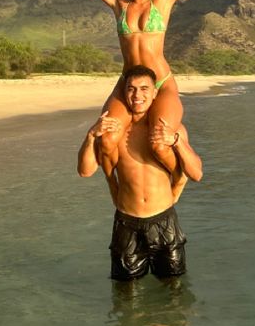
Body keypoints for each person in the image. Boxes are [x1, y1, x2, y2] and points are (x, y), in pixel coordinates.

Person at [50, 0, 240, 173]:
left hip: (161, 84)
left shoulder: (162, 2)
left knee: (160, 144)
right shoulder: (119, 4)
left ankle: (177, 180)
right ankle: (118, 190)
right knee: (106, 138)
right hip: (128, 83)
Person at [78, 65, 203, 280]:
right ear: (124, 92)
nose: (137, 95)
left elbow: (197, 173)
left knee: (174, 289)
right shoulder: (114, 132)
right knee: (125, 293)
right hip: (127, 222)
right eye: (131, 89)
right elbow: (85, 171)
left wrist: (176, 142)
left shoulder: (169, 130)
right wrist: (90, 136)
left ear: (155, 93)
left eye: (144, 89)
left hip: (164, 221)